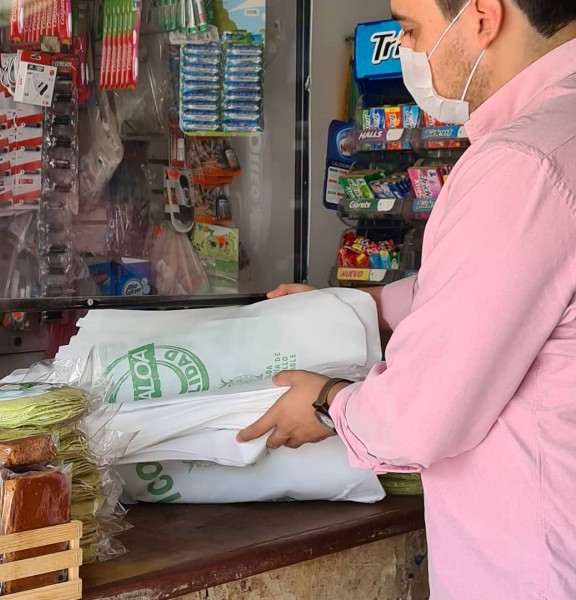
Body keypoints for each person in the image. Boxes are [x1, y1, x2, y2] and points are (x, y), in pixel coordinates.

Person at [238, 1, 576, 598]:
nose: (403, 44)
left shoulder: (522, 164)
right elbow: (485, 287)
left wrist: (325, 403)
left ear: (481, 17)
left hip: (536, 569)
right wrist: (355, 308)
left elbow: (421, 418)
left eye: (411, 26)